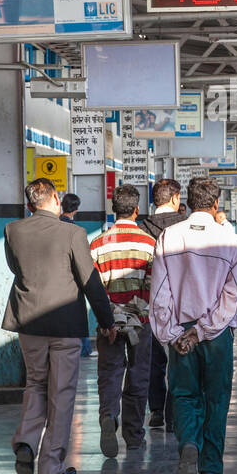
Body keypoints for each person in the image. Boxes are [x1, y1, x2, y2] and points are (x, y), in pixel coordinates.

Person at [4, 178, 115, 474]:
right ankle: (51, 466)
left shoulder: (13, 230)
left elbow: (16, 268)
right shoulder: (73, 233)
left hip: (27, 320)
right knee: (61, 392)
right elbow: (89, 281)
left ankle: (26, 440)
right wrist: (107, 321)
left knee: (36, 382)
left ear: (30, 205)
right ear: (55, 198)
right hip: (65, 323)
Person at [148, 177, 237, 474]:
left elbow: (160, 294)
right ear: (216, 204)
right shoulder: (231, 242)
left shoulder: (169, 236)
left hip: (180, 334)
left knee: (184, 395)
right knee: (216, 400)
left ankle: (189, 443)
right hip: (216, 337)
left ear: (187, 203)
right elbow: (233, 297)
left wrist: (174, 333)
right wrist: (203, 330)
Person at [89, 184, 158, 457]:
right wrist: (138, 312)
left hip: (109, 324)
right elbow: (154, 286)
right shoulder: (150, 244)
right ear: (137, 210)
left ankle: (108, 415)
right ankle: (133, 435)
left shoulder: (97, 245)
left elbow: (94, 289)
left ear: (113, 209)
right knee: (139, 375)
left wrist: (109, 319)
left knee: (110, 373)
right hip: (141, 321)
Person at [137, 178, 188, 433]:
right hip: (181, 305)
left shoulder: (142, 228)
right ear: (176, 198)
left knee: (154, 359)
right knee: (178, 358)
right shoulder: (185, 226)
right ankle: (173, 414)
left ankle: (156, 409)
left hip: (148, 304)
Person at [59, 192, 97, 358]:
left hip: (59, 279)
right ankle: (84, 348)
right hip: (74, 280)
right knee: (79, 315)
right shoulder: (76, 230)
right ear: (76, 209)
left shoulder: (55, 225)